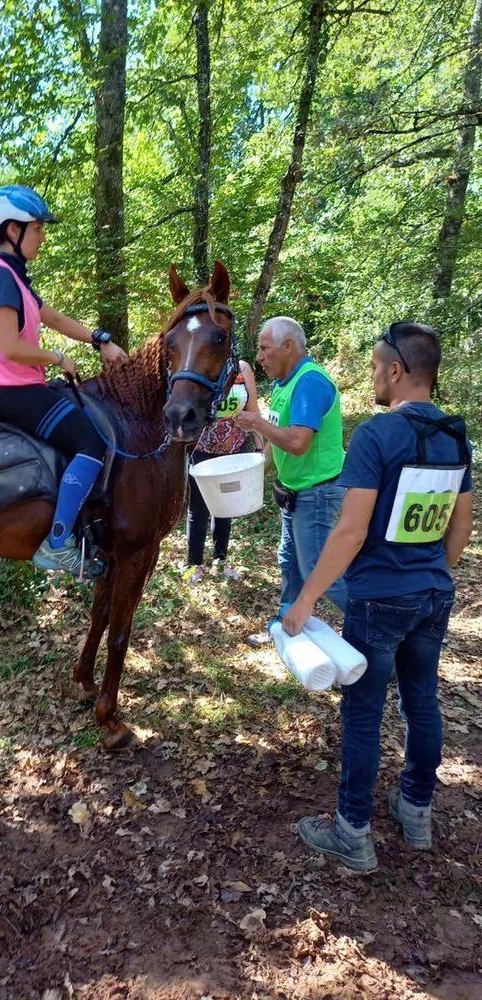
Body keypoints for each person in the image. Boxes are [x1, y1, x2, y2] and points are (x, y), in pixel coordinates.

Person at [281, 322, 473, 872]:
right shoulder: (456, 437)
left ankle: (352, 831)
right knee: (421, 701)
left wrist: (306, 599)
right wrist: (430, 569)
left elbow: (349, 531)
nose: (370, 376)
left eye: (372, 366)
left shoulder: (374, 436)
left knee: (364, 714)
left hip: (379, 599)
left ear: (396, 370)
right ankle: (416, 810)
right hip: (433, 594)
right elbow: (461, 528)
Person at [0, 184, 127, 574]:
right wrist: (57, 357)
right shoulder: (0, 277)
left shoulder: (13, 277)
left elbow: (53, 318)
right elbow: (9, 346)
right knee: (91, 442)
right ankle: (57, 542)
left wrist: (98, 339)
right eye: (37, 228)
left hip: (12, 385)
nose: (43, 236)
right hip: (9, 388)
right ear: (12, 230)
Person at [235, 317, 347, 615]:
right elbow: (278, 438)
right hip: (294, 494)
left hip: (317, 493)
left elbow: (297, 443)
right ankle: (289, 623)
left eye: (263, 348)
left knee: (320, 572)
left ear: (288, 346)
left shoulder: (309, 382)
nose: (258, 357)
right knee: (290, 562)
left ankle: (373, 630)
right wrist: (250, 474)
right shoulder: (285, 383)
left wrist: (256, 422)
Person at [184, 361, 262, 583]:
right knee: (198, 509)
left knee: (225, 507)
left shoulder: (243, 369)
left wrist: (259, 447)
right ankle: (193, 564)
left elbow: (253, 409)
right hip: (200, 449)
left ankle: (220, 560)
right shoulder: (199, 366)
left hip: (233, 450)